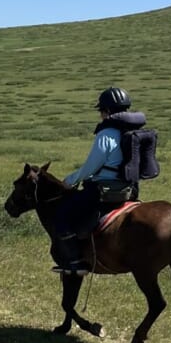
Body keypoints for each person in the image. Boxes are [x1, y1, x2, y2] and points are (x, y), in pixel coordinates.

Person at [52, 86, 150, 275]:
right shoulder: (133, 131)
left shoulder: (107, 134)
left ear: (106, 111)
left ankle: (75, 261)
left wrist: (70, 181)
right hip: (131, 189)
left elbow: (92, 166)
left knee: (62, 215)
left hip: (105, 191)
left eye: (101, 111)